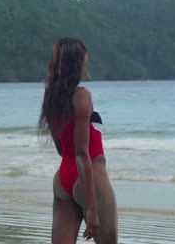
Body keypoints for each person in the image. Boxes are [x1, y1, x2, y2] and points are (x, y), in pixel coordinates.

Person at [38, 37, 118, 243]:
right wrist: (91, 208)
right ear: (78, 63)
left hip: (63, 179)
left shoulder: (51, 99)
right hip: (91, 179)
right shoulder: (82, 96)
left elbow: (62, 149)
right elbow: (82, 154)